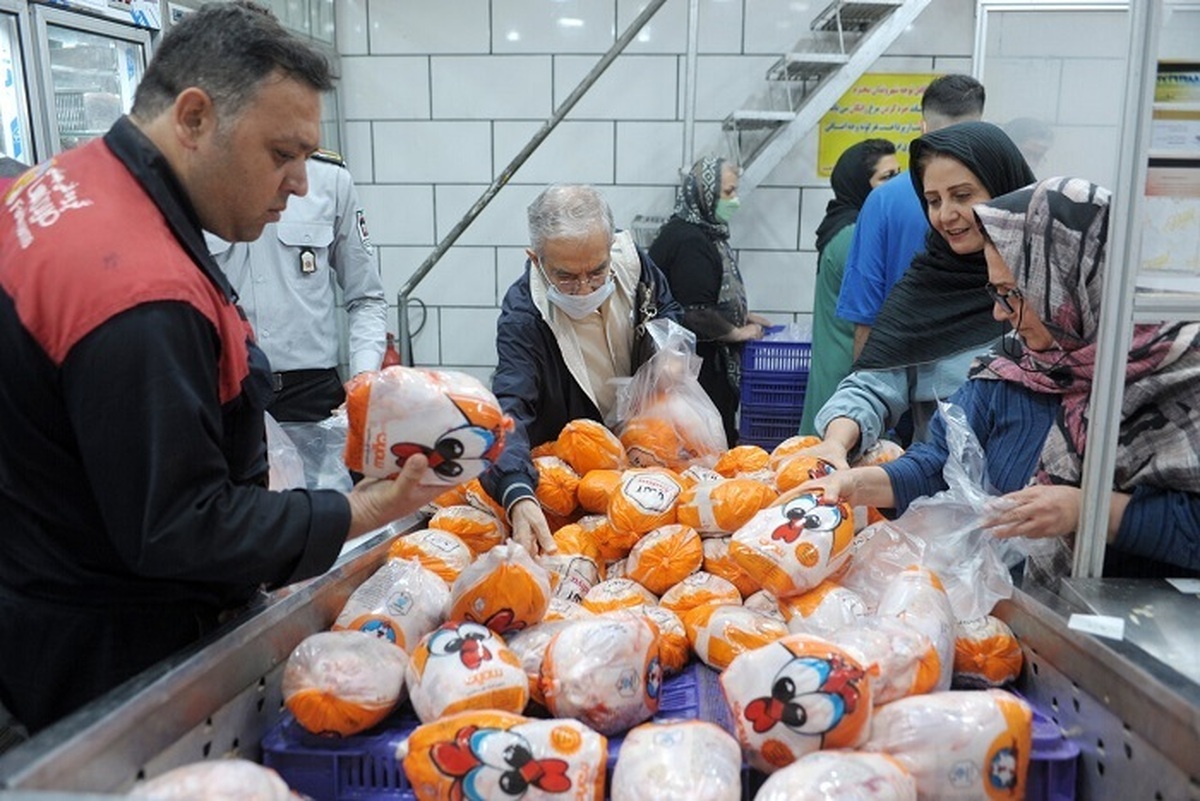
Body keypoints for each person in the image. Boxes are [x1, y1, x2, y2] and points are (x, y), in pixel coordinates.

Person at [0, 1, 442, 734]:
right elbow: (180, 526)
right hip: (109, 660)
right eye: (282, 154)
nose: (301, 183)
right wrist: (364, 508)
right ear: (195, 118)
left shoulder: (66, 184)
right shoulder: (137, 290)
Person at [800, 177, 1200, 577]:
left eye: (1013, 293)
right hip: (1023, 618)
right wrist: (858, 486)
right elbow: (940, 462)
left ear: (1071, 284)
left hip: (1135, 626)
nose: (999, 314)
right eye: (995, 293)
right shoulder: (1012, 367)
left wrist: (1088, 510)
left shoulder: (1175, 377)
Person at [806, 121, 1036, 466]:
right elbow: (871, 386)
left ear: (1003, 188)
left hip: (1044, 503)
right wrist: (837, 441)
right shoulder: (926, 289)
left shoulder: (1049, 282)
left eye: (962, 196)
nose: (945, 215)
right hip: (942, 497)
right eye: (932, 200)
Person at [482, 184, 683, 556]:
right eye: (566, 277)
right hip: (571, 478)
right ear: (536, 259)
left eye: (596, 271)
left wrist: (669, 354)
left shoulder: (634, 267)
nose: (584, 288)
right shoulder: (525, 317)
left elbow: (667, 310)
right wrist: (515, 489)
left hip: (642, 455)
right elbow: (508, 408)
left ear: (610, 248)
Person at [207, 151, 387, 491]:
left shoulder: (328, 179)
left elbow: (367, 298)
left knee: (329, 527)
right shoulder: (202, 180)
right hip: (227, 392)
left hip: (312, 398)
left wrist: (364, 378)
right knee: (235, 526)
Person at [837, 74, 987, 361]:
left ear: (922, 128)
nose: (946, 215)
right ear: (981, 128)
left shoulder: (884, 201)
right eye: (933, 201)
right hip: (984, 371)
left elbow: (866, 322)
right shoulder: (1000, 193)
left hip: (900, 373)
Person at [648, 156, 771, 446]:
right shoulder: (691, 241)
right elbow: (696, 313)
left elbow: (700, 295)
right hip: (693, 370)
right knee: (704, 444)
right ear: (705, 194)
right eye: (728, 192)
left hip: (694, 365)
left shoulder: (698, 231)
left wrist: (742, 314)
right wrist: (737, 331)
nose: (735, 200)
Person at [799, 139, 900, 436]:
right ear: (859, 184)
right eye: (886, 178)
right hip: (847, 377)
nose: (896, 187)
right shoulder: (853, 235)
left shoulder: (850, 226)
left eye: (898, 175)